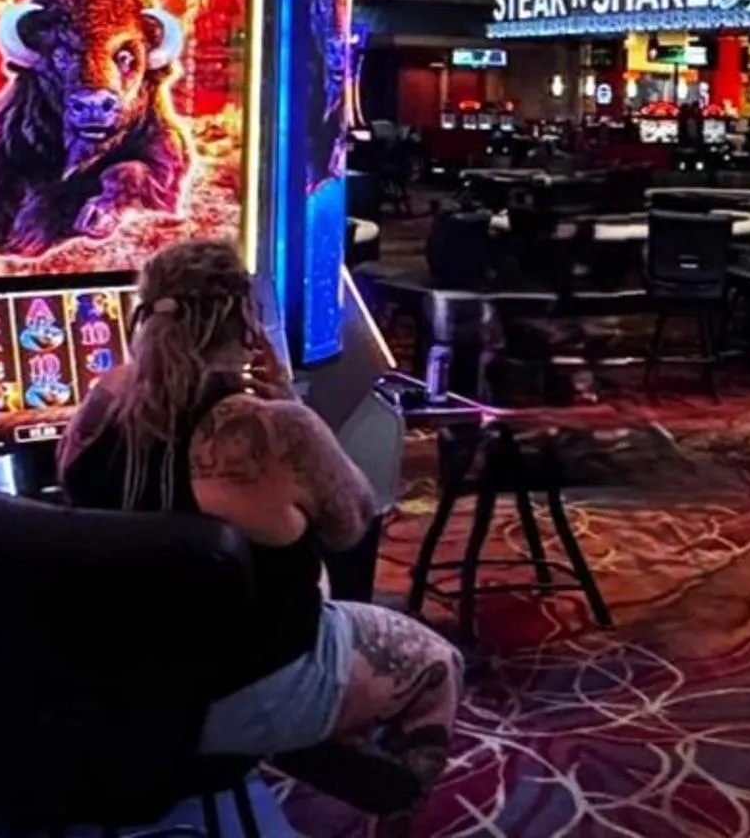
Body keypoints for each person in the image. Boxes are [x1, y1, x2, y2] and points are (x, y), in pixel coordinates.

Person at [58, 239, 462, 792]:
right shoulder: (274, 428)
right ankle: (385, 788)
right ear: (246, 321)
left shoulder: (99, 406)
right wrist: (293, 408)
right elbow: (354, 524)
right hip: (242, 690)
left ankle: (293, 739)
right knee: (440, 664)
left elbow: (69, 491)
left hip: (113, 680)